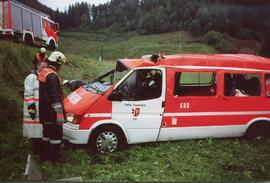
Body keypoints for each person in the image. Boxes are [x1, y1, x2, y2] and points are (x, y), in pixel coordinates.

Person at [38, 51, 66, 163]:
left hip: (44, 111)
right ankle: (55, 159)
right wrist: (59, 113)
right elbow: (54, 96)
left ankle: (44, 157)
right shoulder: (53, 76)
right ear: (58, 63)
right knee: (56, 135)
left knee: (46, 134)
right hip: (52, 112)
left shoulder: (44, 72)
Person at [23, 61, 48, 155]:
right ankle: (35, 152)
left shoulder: (44, 77)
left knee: (40, 131)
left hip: (41, 110)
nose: (44, 69)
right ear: (37, 66)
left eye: (46, 67)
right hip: (33, 109)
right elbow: (28, 94)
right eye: (42, 67)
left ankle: (39, 151)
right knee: (34, 131)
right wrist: (31, 108)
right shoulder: (31, 78)